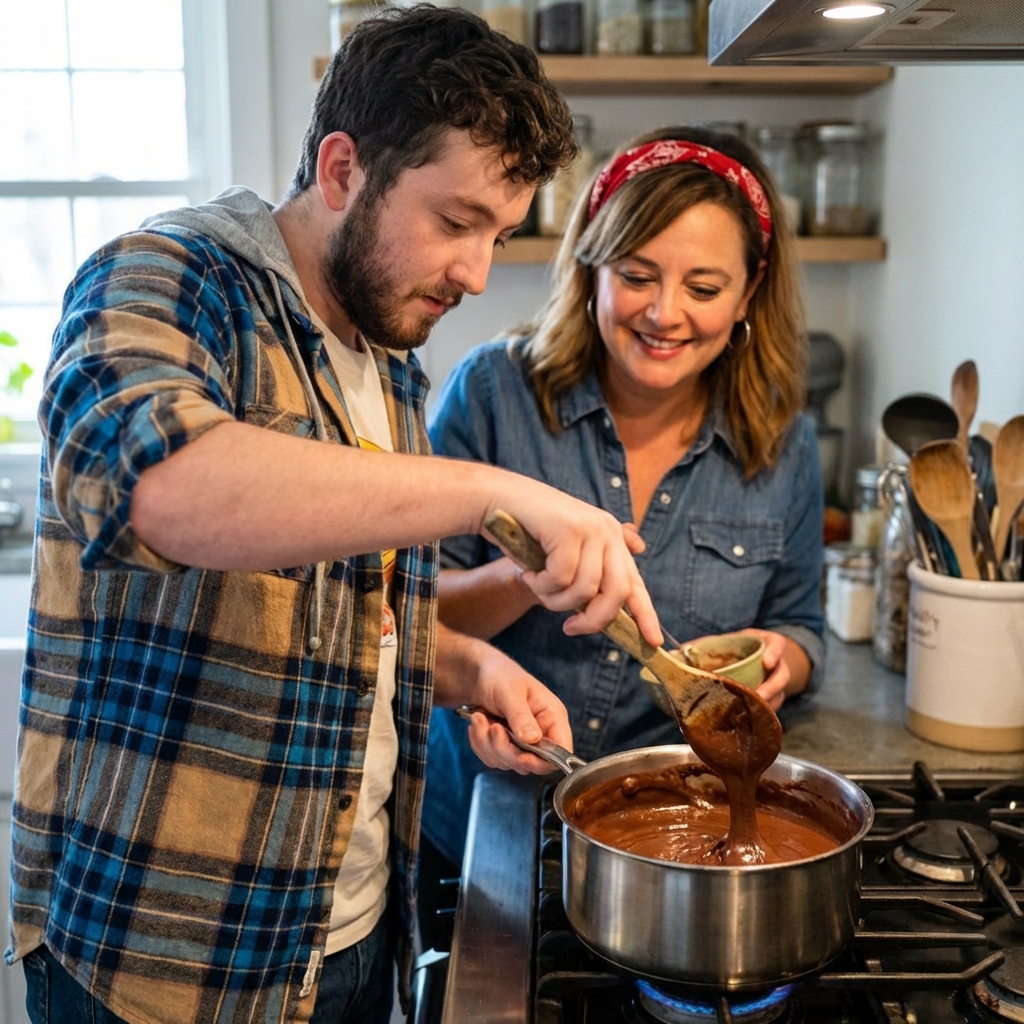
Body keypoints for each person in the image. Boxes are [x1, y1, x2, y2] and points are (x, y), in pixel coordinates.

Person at [6, 10, 665, 1024]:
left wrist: (470, 670)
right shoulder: (162, 278)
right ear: (343, 166)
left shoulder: (389, 357)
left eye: (498, 234)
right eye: (456, 222)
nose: (478, 273)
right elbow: (164, 488)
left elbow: (333, 610)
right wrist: (496, 493)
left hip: (355, 930)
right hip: (172, 954)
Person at [418, 125, 825, 932]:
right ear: (591, 267)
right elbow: (407, 614)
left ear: (749, 293)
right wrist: (525, 579)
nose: (664, 313)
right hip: (488, 818)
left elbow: (803, 624)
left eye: (704, 288)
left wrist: (785, 662)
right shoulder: (495, 395)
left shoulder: (783, 441)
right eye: (637, 275)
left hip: (675, 843)